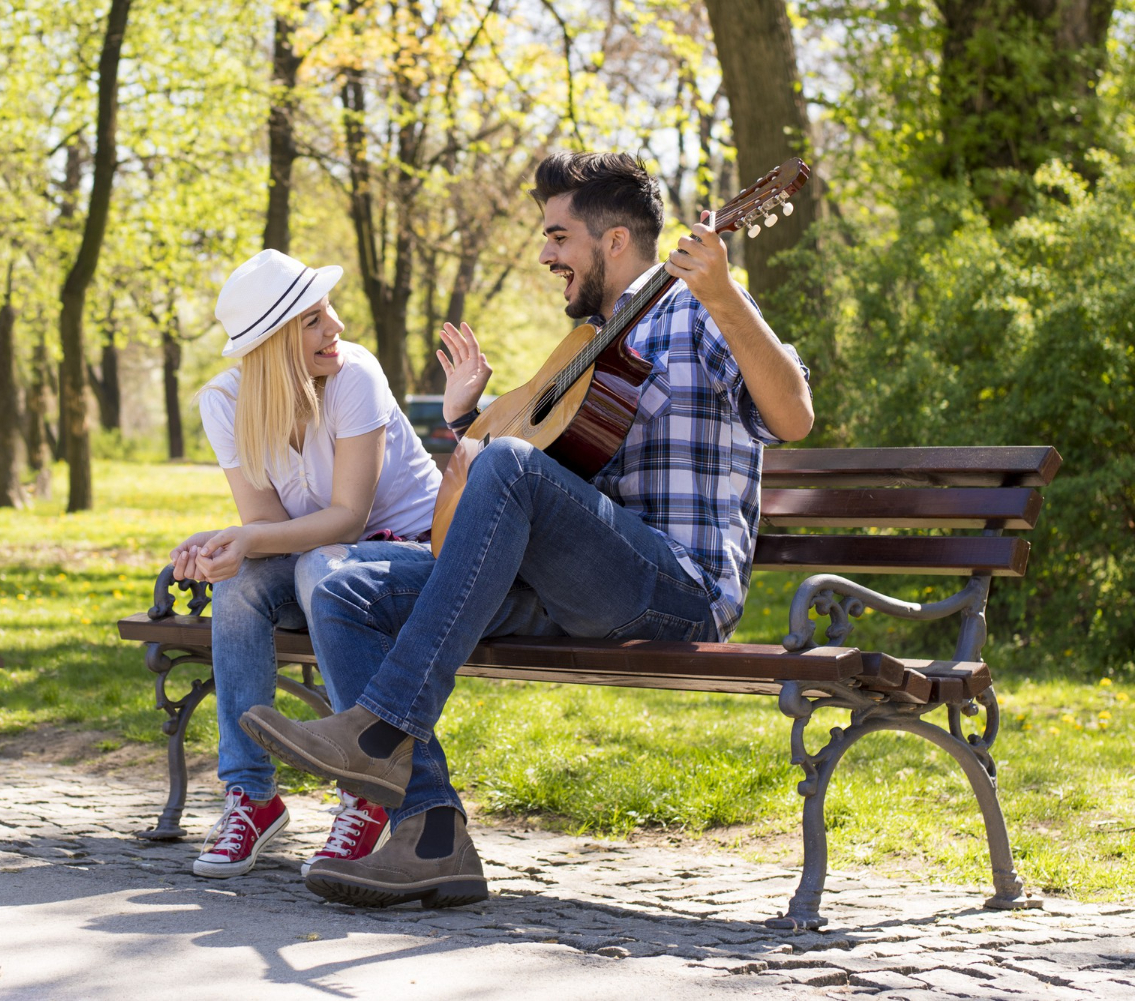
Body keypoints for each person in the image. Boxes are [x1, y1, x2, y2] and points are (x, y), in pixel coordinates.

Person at [240, 151, 814, 908]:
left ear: (613, 242)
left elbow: (795, 416)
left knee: (507, 466)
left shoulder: (695, 307)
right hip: (575, 584)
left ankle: (378, 733)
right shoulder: (589, 342)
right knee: (347, 588)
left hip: (677, 585)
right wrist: (465, 424)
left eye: (558, 236)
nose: (545, 255)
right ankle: (431, 832)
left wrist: (727, 294)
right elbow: (541, 460)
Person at [172, 248, 442, 881]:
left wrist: (246, 535)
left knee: (322, 566)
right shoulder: (225, 402)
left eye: (330, 312)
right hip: (318, 561)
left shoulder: (356, 376)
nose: (337, 327)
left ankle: (365, 787)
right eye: (315, 319)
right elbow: (264, 526)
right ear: (272, 341)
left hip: (410, 556)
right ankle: (252, 796)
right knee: (240, 580)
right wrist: (225, 544)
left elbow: (349, 516)